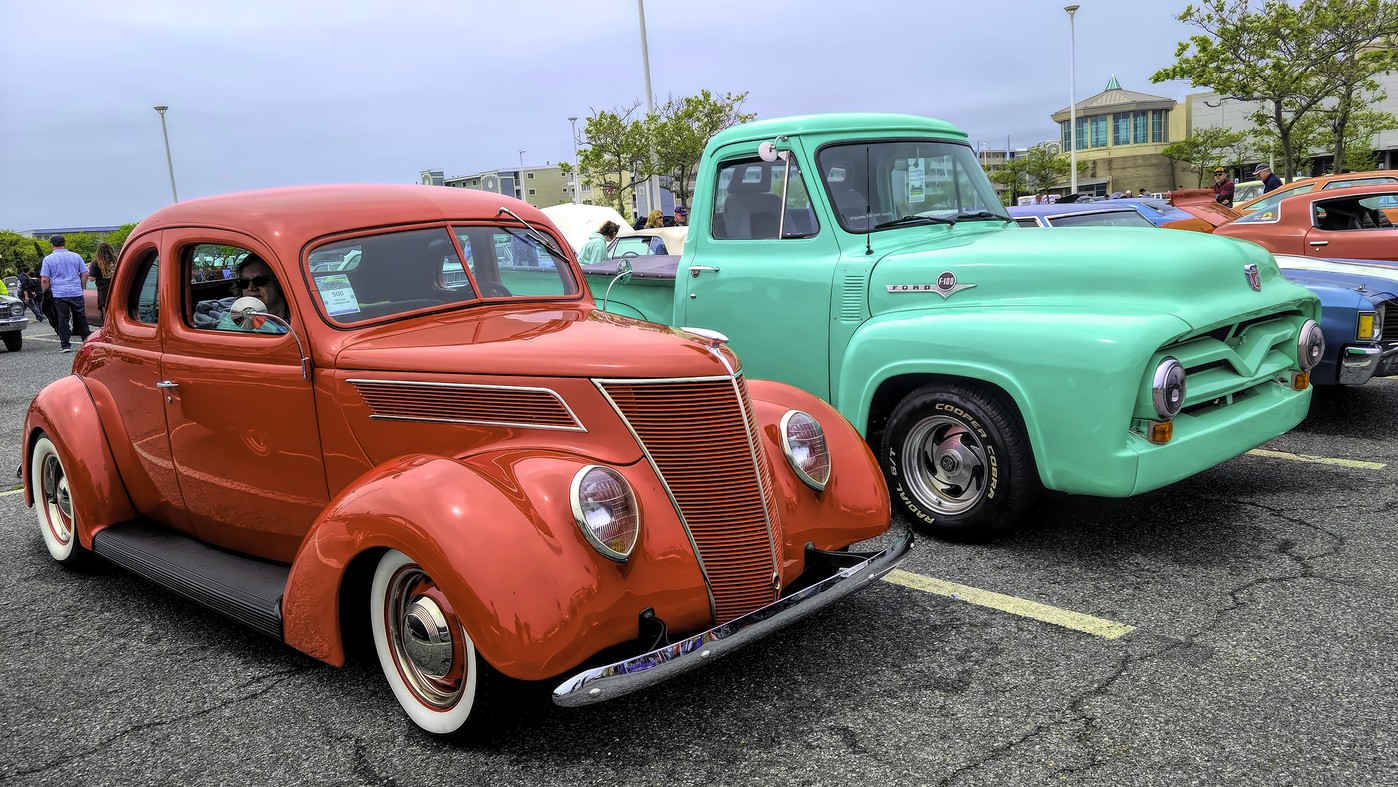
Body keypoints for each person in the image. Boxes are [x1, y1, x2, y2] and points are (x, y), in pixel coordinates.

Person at [40, 235, 90, 353]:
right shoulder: (76, 256)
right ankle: (87, 342)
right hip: (75, 291)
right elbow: (85, 274)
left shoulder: (48, 259)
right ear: (64, 243)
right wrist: (81, 286)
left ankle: (65, 345)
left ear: (52, 244)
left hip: (59, 293)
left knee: (62, 319)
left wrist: (44, 291)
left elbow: (45, 280)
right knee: (81, 318)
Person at [216, 254, 288, 333]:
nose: (250, 288)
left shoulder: (300, 311)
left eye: (260, 280)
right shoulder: (233, 324)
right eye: (244, 282)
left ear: (279, 282)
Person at [89, 241, 117, 319]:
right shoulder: (116, 261)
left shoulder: (96, 263)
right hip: (117, 287)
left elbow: (92, 278)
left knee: (107, 310)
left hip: (104, 290)